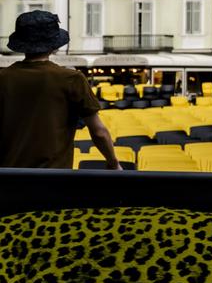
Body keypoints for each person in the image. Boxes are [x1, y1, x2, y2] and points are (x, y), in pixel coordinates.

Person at [0, 10, 122, 170]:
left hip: (9, 179)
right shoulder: (71, 78)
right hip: (53, 179)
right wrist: (113, 163)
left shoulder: (3, 77)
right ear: (54, 46)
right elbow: (98, 132)